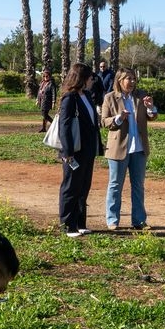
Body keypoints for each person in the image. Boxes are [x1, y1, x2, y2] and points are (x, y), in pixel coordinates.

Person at [100, 67, 158, 230]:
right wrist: (118, 118)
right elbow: (104, 121)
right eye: (128, 78)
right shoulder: (110, 98)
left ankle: (139, 221)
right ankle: (112, 220)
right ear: (119, 80)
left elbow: (152, 116)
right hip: (118, 148)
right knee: (115, 184)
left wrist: (150, 107)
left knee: (138, 185)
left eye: (133, 78)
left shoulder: (141, 95)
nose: (132, 82)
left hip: (139, 148)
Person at [58, 62, 103, 237]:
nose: (93, 79)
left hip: (88, 150)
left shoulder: (86, 96)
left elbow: (92, 124)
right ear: (82, 78)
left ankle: (80, 223)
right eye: (90, 76)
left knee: (84, 186)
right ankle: (67, 225)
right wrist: (67, 152)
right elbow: (65, 126)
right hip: (74, 151)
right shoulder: (69, 98)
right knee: (71, 187)